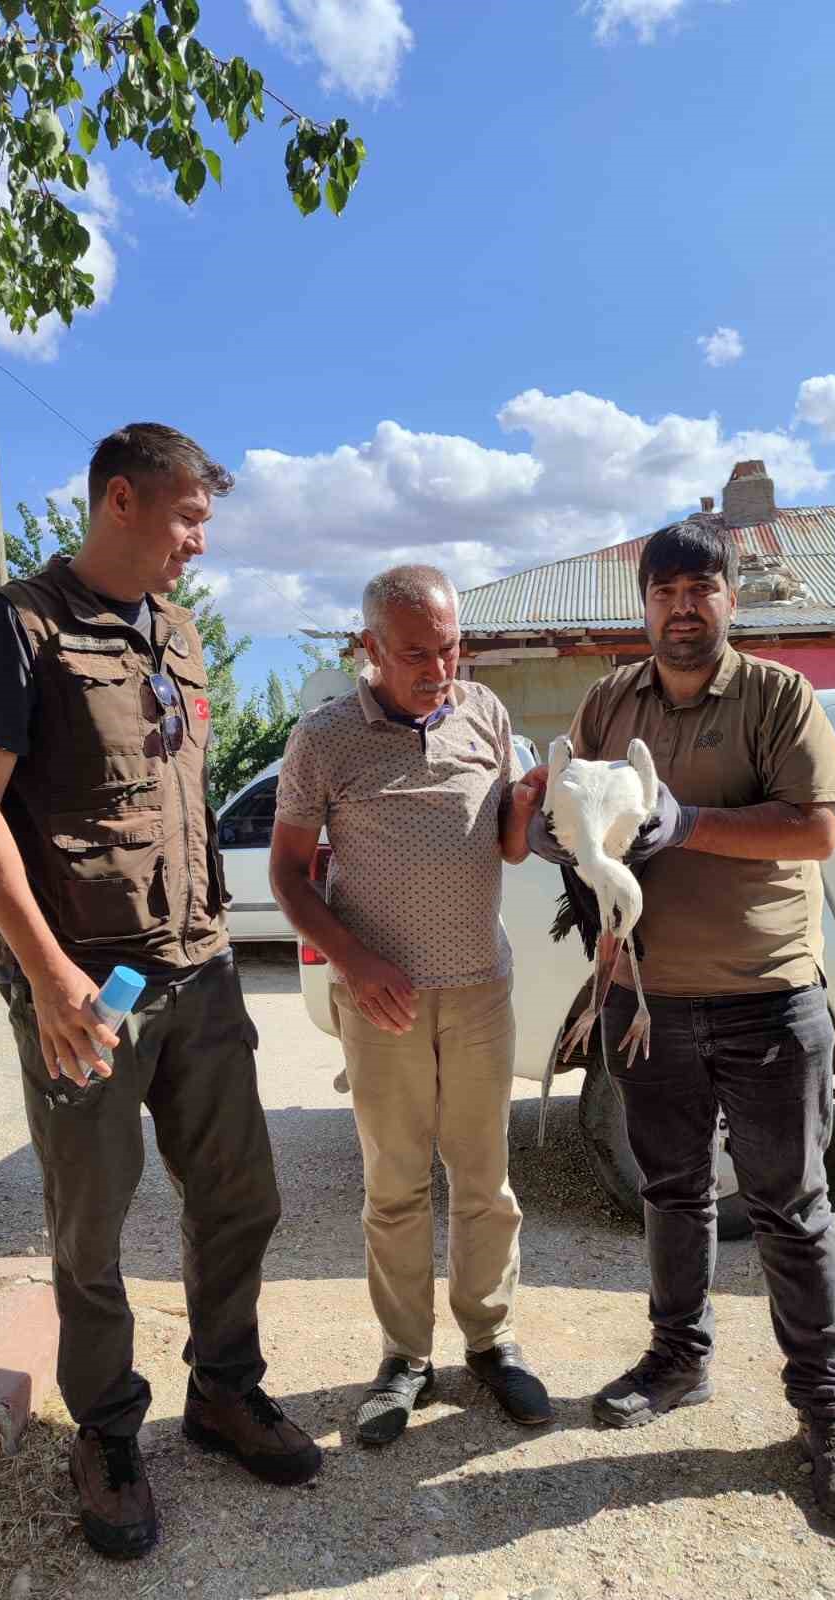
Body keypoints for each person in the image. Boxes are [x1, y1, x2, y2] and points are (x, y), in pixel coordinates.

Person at [0, 423, 320, 1560]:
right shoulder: (20, 625)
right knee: (92, 1227)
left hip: (198, 968)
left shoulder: (176, 629)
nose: (199, 543)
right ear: (120, 499)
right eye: (188, 519)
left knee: (239, 1196)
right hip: (87, 989)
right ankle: (106, 1433)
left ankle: (224, 1389)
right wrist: (53, 977)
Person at [529, 516, 835, 1524]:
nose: (683, 608)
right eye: (665, 591)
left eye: (702, 589)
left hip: (769, 992)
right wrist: (572, 851)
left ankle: (826, 1413)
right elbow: (578, 805)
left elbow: (816, 829)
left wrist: (687, 823)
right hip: (652, 999)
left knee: (789, 1203)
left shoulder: (778, 695)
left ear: (731, 596)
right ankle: (678, 1358)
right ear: (644, 604)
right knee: (673, 1188)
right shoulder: (611, 698)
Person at [269, 565, 553, 1446]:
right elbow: (286, 872)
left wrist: (531, 808)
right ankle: (404, 1358)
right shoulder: (324, 739)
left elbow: (508, 849)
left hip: (478, 988)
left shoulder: (486, 715)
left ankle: (491, 1342)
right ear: (371, 650)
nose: (439, 669)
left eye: (450, 649)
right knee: (394, 1187)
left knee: (484, 1180)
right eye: (417, 654)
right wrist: (355, 963)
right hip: (380, 1000)